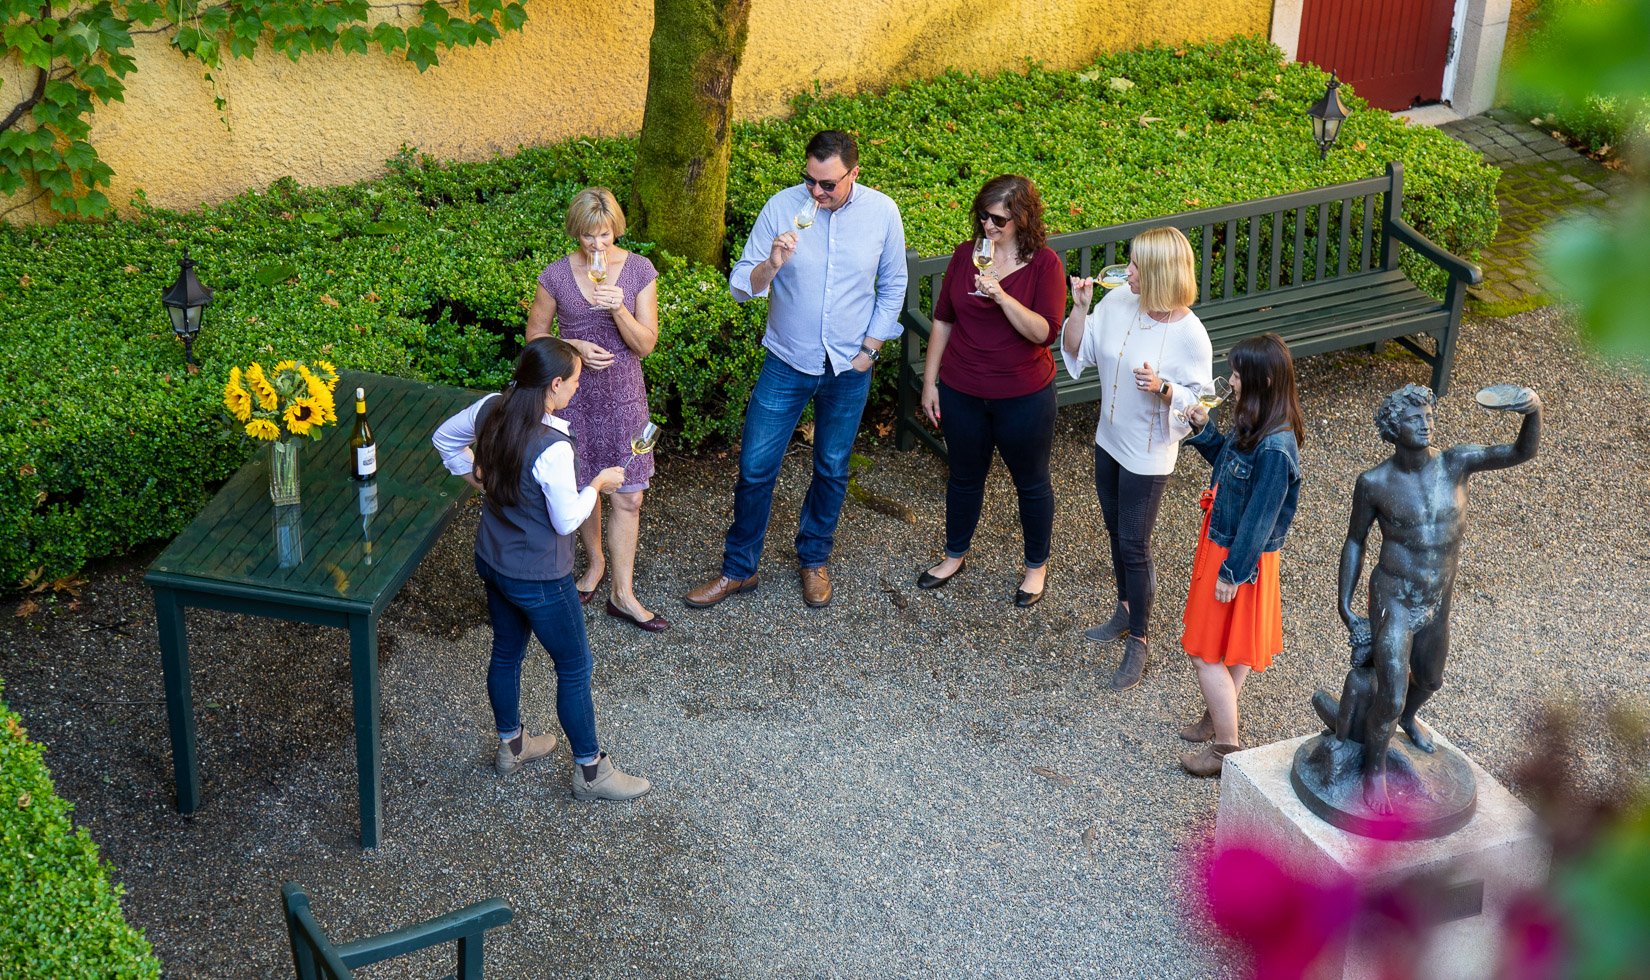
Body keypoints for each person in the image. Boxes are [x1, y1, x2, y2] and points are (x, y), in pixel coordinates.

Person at [684, 130, 908, 610]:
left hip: (850, 364)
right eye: (809, 180)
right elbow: (741, 285)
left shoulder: (882, 212)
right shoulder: (781, 207)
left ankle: (814, 559)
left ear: (854, 173)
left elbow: (893, 285)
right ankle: (739, 570)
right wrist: (772, 263)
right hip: (786, 360)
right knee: (755, 467)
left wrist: (870, 349)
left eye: (828, 184)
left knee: (831, 467)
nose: (816, 192)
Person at [432, 338, 651, 801]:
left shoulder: (492, 406)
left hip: (493, 559)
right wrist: (598, 485)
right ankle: (591, 772)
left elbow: (443, 438)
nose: (576, 389)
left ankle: (512, 745)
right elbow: (567, 520)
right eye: (574, 382)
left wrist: (473, 474)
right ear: (554, 385)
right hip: (539, 577)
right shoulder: (553, 446)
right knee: (574, 666)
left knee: (507, 651)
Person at [1339, 382, 1540, 812]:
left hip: (1437, 597)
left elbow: (1520, 453)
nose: (1426, 424)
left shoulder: (1456, 463)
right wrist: (1346, 604)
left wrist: (1533, 413)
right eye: (1414, 419)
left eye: (1429, 416)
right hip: (1393, 596)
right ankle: (1374, 770)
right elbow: (1355, 541)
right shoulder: (1374, 482)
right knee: (1389, 693)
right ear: (1394, 427)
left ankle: (1407, 718)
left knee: (1430, 680)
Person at [1061, 226, 1213, 691]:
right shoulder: (1117, 303)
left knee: (1134, 543)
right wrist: (1081, 309)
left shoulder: (1190, 335)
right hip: (1108, 439)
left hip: (1147, 454)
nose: (1126, 272)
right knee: (1115, 531)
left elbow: (1202, 409)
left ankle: (1140, 640)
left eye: (1135, 267)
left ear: (1162, 275)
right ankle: (1125, 610)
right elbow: (1075, 349)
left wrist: (1165, 389)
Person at [916, 174, 1065, 606]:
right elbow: (943, 318)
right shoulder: (967, 255)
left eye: (998, 219)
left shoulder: (1044, 265)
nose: (988, 227)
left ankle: (1036, 567)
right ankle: (953, 555)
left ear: (1022, 218)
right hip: (963, 388)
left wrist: (1001, 296)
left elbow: (1043, 332)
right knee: (963, 478)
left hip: (1023, 395)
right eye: (983, 216)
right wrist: (931, 382)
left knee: (1031, 482)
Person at [524, 187, 667, 632]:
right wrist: (572, 345)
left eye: (604, 235)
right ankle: (595, 563)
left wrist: (620, 308)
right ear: (576, 233)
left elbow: (645, 345)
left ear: (615, 230)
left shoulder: (639, 271)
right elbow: (534, 338)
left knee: (629, 494)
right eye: (588, 237)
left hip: (625, 397)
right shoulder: (556, 276)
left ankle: (623, 595)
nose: (597, 246)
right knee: (583, 483)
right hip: (575, 397)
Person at [1175, 333, 1305, 777]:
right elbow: (1227, 465)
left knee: (1204, 649)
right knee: (1232, 644)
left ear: (1262, 379)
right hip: (1236, 550)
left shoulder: (1275, 446)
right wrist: (1203, 431)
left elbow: (1260, 518)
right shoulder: (1258, 422)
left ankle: (1226, 745)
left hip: (1237, 554)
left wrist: (1233, 572)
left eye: (1236, 374)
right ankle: (1219, 709)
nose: (1230, 381)